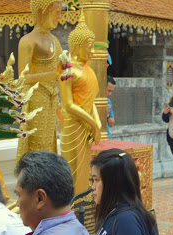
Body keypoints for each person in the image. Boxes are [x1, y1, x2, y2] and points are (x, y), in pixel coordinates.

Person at [15, 0, 63, 160]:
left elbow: (60, 75)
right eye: (55, 11)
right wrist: (53, 74)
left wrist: (60, 108)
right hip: (36, 98)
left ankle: (48, 178)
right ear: (41, 12)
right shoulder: (28, 41)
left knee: (50, 143)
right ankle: (36, 179)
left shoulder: (55, 42)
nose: (59, 15)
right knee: (37, 143)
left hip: (52, 98)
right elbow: (23, 78)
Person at [59, 16, 101, 195]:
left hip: (87, 127)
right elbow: (68, 105)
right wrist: (93, 123)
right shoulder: (68, 71)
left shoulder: (89, 70)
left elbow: (90, 102)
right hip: (74, 126)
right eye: (89, 46)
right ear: (77, 46)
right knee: (72, 171)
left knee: (85, 172)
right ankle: (72, 208)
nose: (91, 51)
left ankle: (84, 206)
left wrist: (97, 124)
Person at [106, 75, 116, 139]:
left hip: (108, 137)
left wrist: (107, 115)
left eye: (111, 91)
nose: (110, 94)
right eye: (109, 91)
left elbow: (111, 124)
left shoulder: (108, 101)